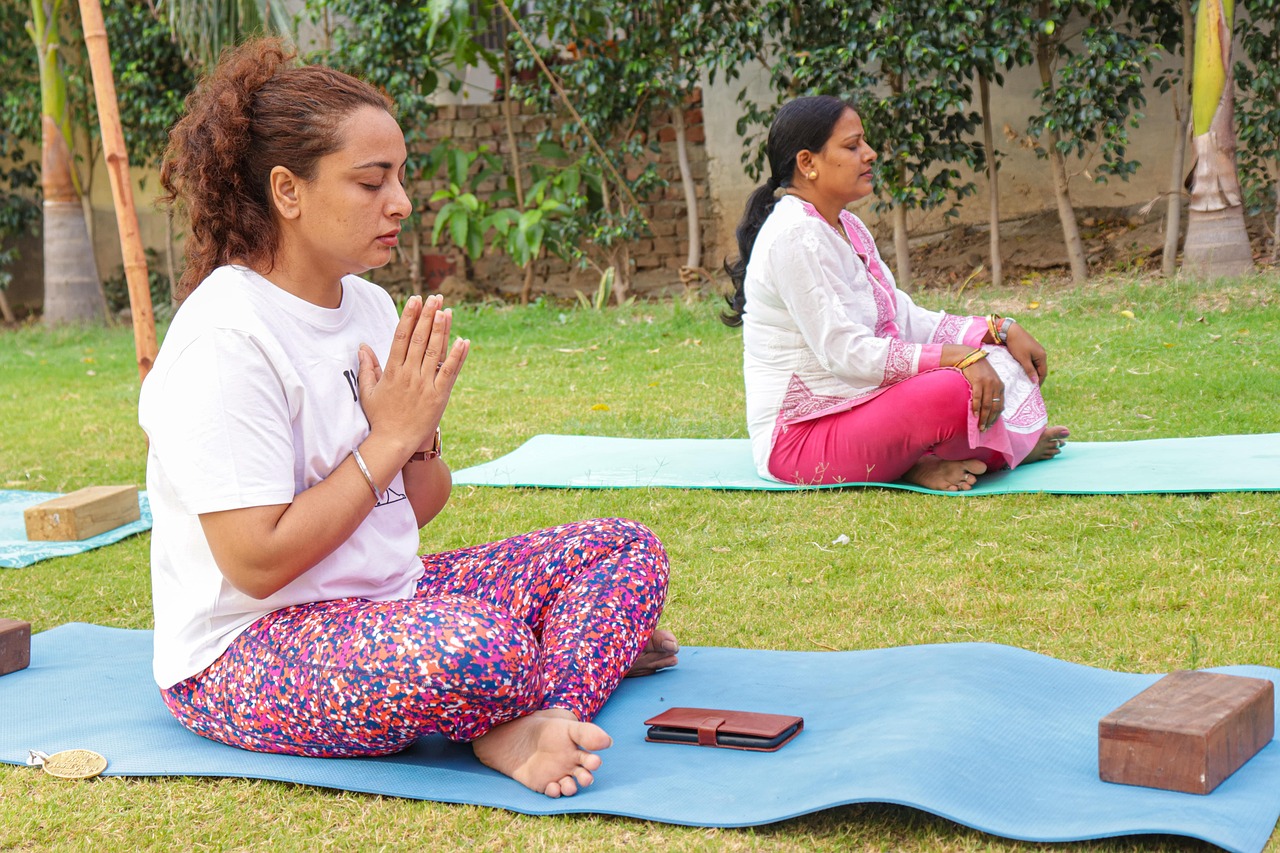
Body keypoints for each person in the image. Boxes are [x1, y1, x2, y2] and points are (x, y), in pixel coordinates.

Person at [139, 39, 677, 799]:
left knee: (620, 552)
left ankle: (543, 712)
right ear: (287, 191)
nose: (402, 201)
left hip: (390, 601)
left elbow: (411, 508)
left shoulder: (367, 302)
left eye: (400, 175)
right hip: (246, 649)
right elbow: (254, 562)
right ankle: (526, 687)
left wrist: (417, 443)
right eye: (371, 181)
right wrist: (386, 438)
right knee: (480, 649)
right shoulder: (227, 337)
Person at [722, 96, 1070, 492]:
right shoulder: (794, 236)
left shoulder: (846, 225)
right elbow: (844, 352)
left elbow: (903, 318)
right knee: (955, 388)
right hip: (800, 439)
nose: (869, 155)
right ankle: (951, 457)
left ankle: (950, 454)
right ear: (808, 163)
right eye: (852, 147)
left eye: (864, 143)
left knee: (995, 358)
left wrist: (996, 330)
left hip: (865, 408)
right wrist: (958, 358)